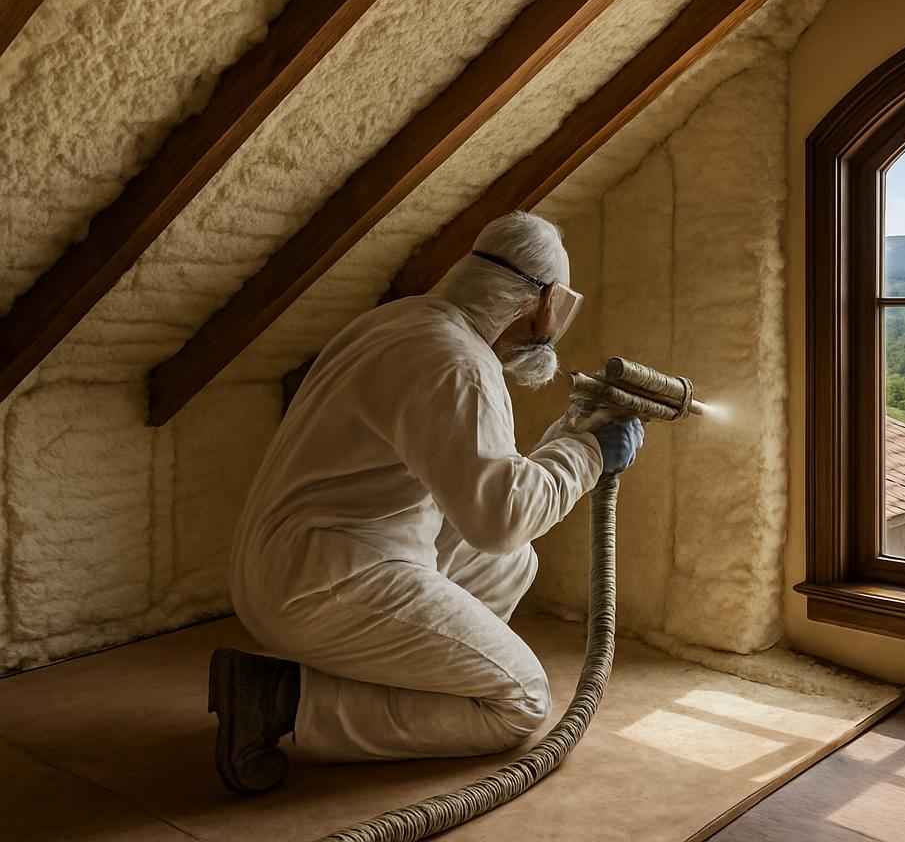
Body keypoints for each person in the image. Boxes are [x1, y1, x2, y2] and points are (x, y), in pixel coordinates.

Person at [207, 211, 643, 793]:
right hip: (320, 583)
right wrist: (589, 455)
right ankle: (282, 701)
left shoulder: (406, 322)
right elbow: (501, 516)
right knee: (520, 701)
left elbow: (488, 494)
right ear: (543, 303)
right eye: (559, 311)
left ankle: (419, 674)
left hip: (297, 559)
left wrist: (571, 437)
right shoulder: (456, 363)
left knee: (510, 562)